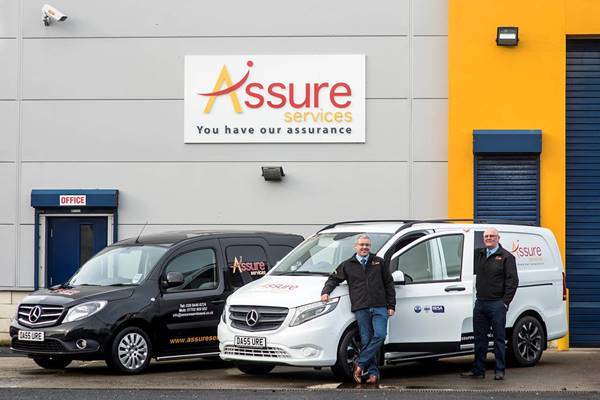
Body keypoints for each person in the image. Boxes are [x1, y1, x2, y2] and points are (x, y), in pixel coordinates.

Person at [321, 234, 396, 384]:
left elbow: (389, 283)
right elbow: (333, 279)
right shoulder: (348, 265)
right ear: (355, 246)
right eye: (361, 245)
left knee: (380, 335)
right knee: (366, 340)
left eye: (367, 245)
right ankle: (374, 373)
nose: (364, 247)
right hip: (361, 307)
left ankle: (360, 363)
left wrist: (391, 305)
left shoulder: (379, 262)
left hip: (379, 306)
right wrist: (326, 292)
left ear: (370, 247)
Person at [461, 227, 519, 381]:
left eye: (492, 236)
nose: (489, 238)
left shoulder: (507, 257)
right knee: (480, 339)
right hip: (480, 304)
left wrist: (504, 303)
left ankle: (499, 371)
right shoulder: (478, 254)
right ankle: (478, 370)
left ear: (498, 238)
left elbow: (512, 282)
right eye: (486, 236)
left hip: (496, 305)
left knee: (499, 339)